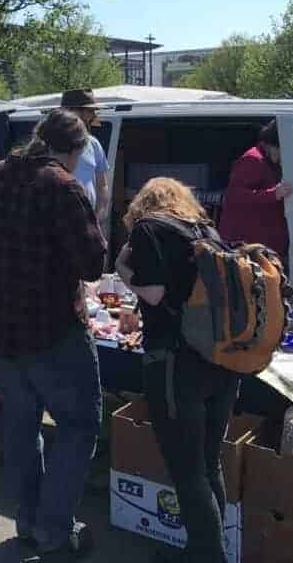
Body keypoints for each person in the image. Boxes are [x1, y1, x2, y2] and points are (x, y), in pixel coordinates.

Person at [0, 109, 106, 562]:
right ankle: (53, 529)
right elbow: (92, 264)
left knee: (22, 428)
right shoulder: (62, 186)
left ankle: (29, 520)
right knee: (79, 425)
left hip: (5, 325)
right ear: (75, 150)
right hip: (54, 329)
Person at [115, 178, 240, 563]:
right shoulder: (205, 230)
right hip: (221, 359)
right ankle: (210, 548)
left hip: (175, 361)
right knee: (207, 460)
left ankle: (206, 555)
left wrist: (122, 267)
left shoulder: (148, 229)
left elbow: (152, 292)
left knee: (187, 468)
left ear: (144, 202)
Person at [218, 120, 291, 260]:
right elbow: (235, 196)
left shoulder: (268, 161)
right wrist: (273, 194)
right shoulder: (253, 160)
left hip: (266, 243)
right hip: (248, 244)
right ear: (273, 144)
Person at [60, 89, 111, 224]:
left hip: (88, 222)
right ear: (72, 111)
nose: (93, 116)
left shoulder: (93, 143)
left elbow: (102, 185)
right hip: (58, 223)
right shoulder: (48, 143)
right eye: (90, 111)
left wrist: (100, 216)